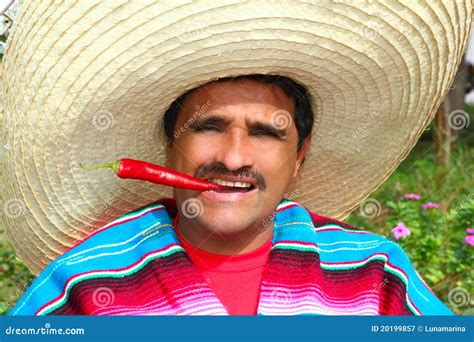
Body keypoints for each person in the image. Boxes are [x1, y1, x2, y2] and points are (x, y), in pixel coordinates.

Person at [1, 1, 470, 315]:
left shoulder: (373, 276)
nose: (233, 157)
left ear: (300, 155)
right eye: (208, 126)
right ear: (169, 145)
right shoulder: (83, 285)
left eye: (267, 133)